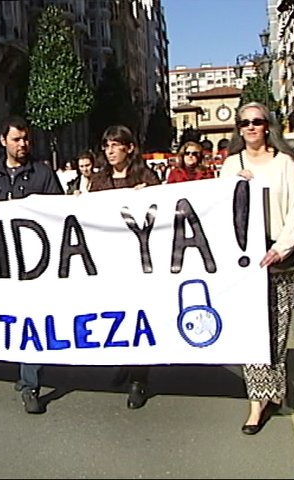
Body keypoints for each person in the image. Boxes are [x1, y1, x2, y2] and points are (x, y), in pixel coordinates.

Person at [219, 102, 294, 435]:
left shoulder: (285, 164)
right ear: (238, 129)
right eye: (245, 123)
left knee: (277, 332)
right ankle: (257, 404)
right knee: (252, 332)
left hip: (280, 259)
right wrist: (236, 188)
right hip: (245, 262)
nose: (251, 127)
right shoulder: (230, 165)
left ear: (268, 126)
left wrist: (281, 248)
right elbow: (219, 210)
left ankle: (273, 391)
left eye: (257, 121)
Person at [0, 115, 64, 414]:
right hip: (3, 265)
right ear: (3, 141)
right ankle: (22, 370)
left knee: (31, 321)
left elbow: (60, 214)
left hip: (35, 265)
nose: (23, 144)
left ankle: (30, 385)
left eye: (26, 138)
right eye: (16, 139)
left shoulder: (43, 174)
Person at [88, 125, 161, 410]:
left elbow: (161, 212)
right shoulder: (99, 179)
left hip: (139, 262)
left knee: (139, 316)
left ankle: (139, 379)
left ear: (129, 148)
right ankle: (124, 361)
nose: (109, 150)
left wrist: (148, 197)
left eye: (115, 145)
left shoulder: (146, 177)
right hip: (110, 262)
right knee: (117, 315)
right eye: (106, 146)